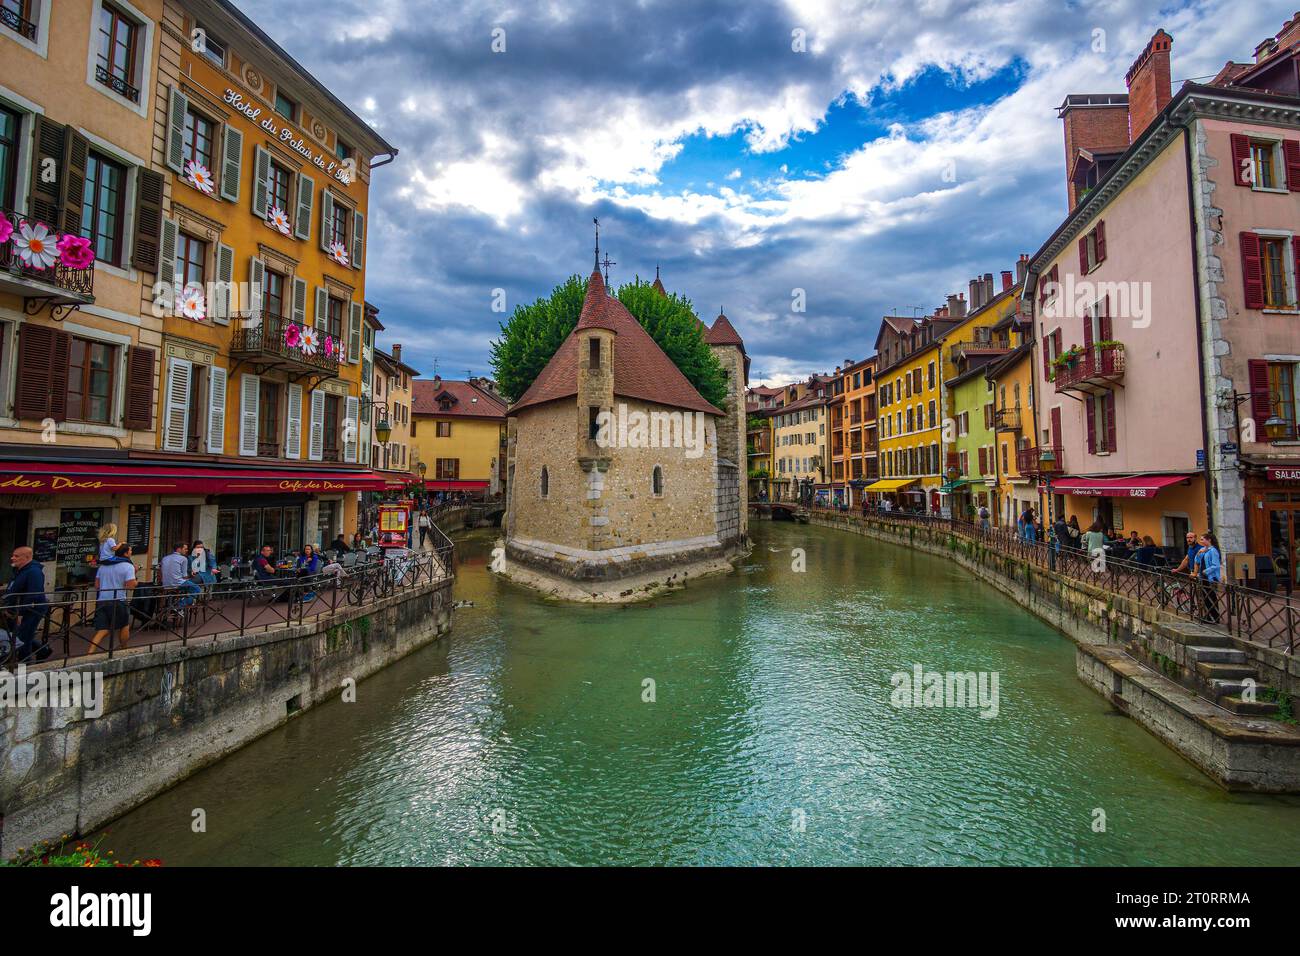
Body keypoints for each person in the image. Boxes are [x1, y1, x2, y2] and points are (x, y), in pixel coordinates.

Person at [87, 543, 137, 653]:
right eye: (130, 551)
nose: (131, 552)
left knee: (103, 629)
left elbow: (97, 585)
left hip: (102, 600)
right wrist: (135, 575)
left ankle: (90, 652)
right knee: (124, 625)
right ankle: (124, 649)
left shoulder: (103, 566)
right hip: (118, 600)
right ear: (125, 553)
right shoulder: (128, 566)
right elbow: (131, 586)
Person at [4, 546, 48, 662]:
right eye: (13, 555)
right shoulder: (20, 570)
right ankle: (43, 650)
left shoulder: (34, 572)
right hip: (16, 608)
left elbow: (34, 594)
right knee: (17, 634)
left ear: (27, 557)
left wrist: (21, 612)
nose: (12, 558)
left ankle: (25, 662)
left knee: (24, 636)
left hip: (31, 609)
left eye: (16, 556)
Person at [160, 542, 200, 609]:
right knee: (197, 589)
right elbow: (184, 576)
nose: (187, 551)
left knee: (187, 587)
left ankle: (174, 604)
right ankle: (179, 606)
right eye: (185, 549)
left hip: (166, 584)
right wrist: (189, 577)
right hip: (177, 583)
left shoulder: (164, 558)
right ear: (179, 549)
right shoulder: (183, 559)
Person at [1194, 532, 1223, 624]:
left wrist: (1205, 571)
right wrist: (1199, 553)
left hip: (1210, 577)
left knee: (1211, 597)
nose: (1201, 541)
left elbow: (1216, 565)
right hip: (1204, 577)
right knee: (1205, 597)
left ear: (1209, 540)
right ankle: (1208, 615)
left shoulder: (1213, 551)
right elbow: (1197, 561)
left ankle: (1214, 617)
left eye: (1202, 539)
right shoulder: (1204, 550)